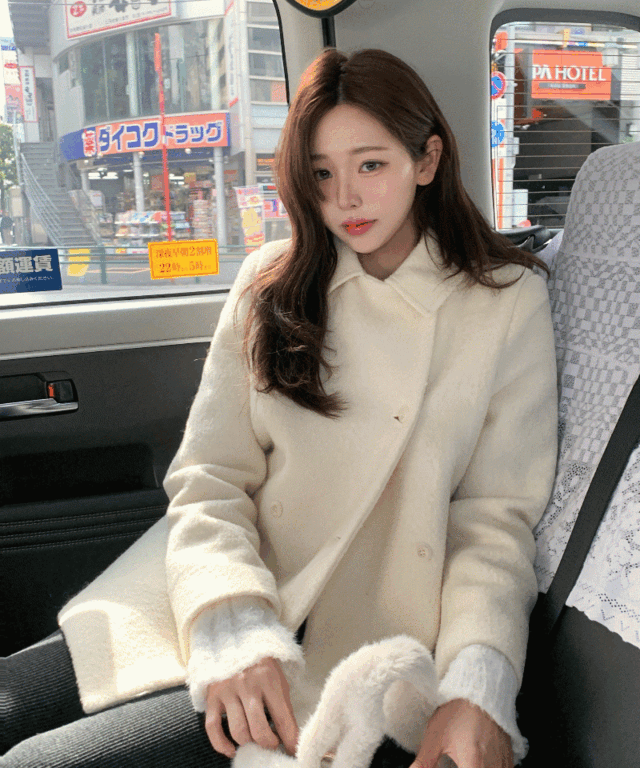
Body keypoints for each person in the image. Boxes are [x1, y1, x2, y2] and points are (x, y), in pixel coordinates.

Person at [2, 49, 558, 768]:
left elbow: (495, 519)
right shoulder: (271, 281)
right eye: (321, 173)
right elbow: (208, 478)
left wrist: (478, 681)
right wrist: (232, 625)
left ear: (426, 160)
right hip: (220, 590)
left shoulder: (503, 301)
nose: (345, 199)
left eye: (370, 164)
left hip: (358, 639)